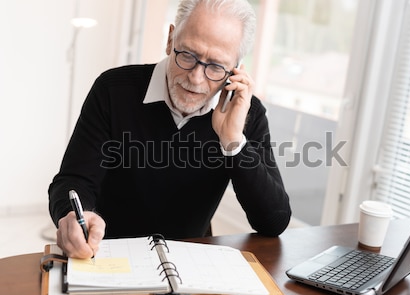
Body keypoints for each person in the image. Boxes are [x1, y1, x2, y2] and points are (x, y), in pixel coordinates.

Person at [49, 0, 291, 259]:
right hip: (108, 254)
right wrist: (74, 215)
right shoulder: (112, 90)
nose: (196, 78)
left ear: (235, 70)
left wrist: (232, 142)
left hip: (191, 260)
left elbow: (273, 222)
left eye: (216, 66)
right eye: (187, 54)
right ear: (170, 39)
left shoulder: (245, 112)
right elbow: (73, 181)